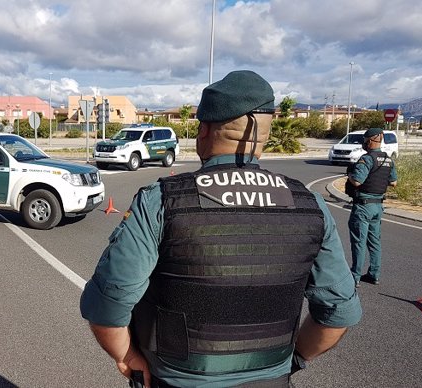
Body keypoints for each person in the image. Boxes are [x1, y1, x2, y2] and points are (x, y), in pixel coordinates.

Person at [80, 70, 362, 387]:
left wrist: (127, 356)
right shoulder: (311, 205)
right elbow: (338, 312)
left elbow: (108, 304)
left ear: (204, 130)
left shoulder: (162, 201)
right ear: (265, 136)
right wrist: (293, 360)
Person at [346, 128, 398, 287]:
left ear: (370, 140)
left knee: (359, 242)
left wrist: (349, 174)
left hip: (363, 206)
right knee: (374, 242)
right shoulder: (388, 159)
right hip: (378, 207)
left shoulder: (366, 159)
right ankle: (374, 274)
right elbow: (393, 183)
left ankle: (355, 277)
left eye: (364, 139)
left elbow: (357, 182)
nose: (363, 142)